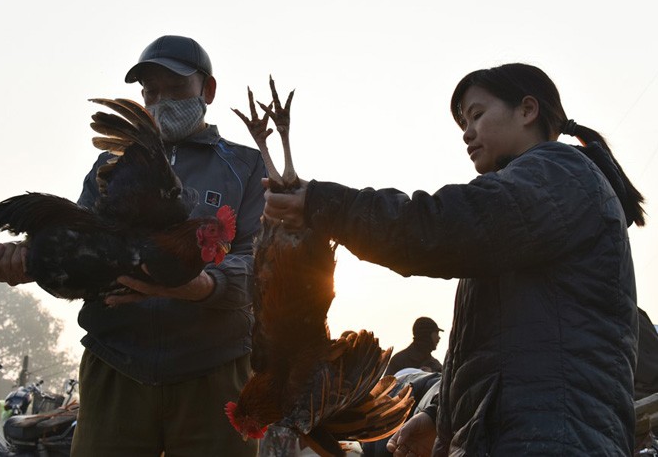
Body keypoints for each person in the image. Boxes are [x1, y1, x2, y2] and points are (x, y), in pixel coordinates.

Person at [263, 63, 645, 456]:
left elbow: (439, 226)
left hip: (553, 438)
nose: (466, 132)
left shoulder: (558, 176)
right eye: (463, 121)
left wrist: (326, 205)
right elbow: (503, 351)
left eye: (477, 115)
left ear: (528, 110)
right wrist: (437, 414)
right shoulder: (533, 200)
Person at [0, 35, 265, 456]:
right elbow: (79, 245)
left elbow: (263, 268)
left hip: (214, 369)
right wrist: (26, 257)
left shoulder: (245, 166)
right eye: (151, 90)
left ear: (208, 90)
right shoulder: (110, 164)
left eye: (176, 87)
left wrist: (203, 286)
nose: (161, 100)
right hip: (117, 362)